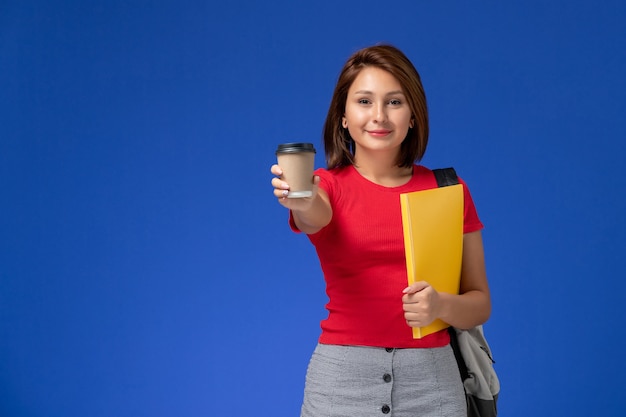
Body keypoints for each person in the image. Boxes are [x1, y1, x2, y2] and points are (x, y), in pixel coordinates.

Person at [270, 44, 491, 417]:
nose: (378, 116)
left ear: (413, 116)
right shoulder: (327, 187)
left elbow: (479, 303)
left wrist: (440, 305)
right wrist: (300, 198)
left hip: (433, 385)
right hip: (340, 384)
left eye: (393, 102)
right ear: (342, 116)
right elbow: (313, 213)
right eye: (364, 101)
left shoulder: (449, 191)